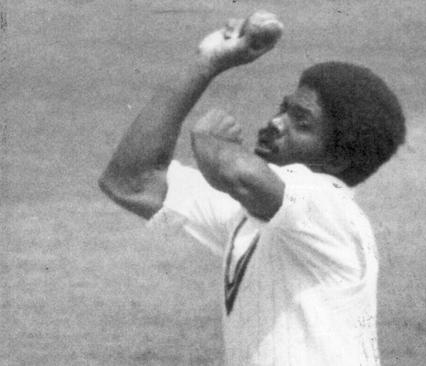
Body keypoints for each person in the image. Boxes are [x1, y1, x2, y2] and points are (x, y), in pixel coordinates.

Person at [99, 11, 405, 366]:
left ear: (338, 160)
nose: (276, 123)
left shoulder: (329, 206)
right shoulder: (251, 213)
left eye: (300, 122)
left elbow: (239, 173)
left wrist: (213, 143)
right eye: (283, 108)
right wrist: (206, 64)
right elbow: (129, 181)